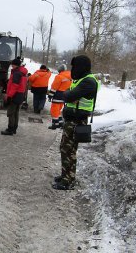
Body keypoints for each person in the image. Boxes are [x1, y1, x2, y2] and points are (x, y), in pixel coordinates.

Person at [52, 55, 98, 190]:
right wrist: (69, 94)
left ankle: (68, 180)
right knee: (65, 148)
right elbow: (68, 94)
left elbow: (68, 95)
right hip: (72, 119)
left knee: (69, 150)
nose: (73, 69)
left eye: (75, 66)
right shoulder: (82, 80)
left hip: (77, 121)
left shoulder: (89, 82)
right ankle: (65, 175)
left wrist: (69, 94)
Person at [1, 57, 28, 135]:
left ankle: (10, 129)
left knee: (11, 113)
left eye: (12, 65)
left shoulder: (16, 73)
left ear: (16, 65)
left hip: (15, 95)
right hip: (20, 94)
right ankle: (14, 128)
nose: (11, 66)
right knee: (16, 112)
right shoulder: (22, 72)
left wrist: (9, 96)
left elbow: (14, 86)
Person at [47, 64, 72, 129]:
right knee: (58, 110)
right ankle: (60, 123)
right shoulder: (70, 76)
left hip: (58, 95)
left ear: (60, 70)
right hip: (65, 95)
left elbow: (54, 87)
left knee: (54, 110)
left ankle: (55, 124)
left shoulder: (59, 77)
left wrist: (50, 96)